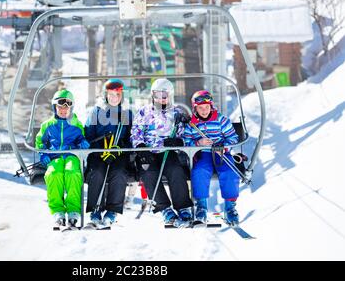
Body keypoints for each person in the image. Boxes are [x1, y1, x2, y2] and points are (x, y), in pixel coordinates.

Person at [131, 78, 193, 226]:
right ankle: (164, 208)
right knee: (148, 174)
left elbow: (185, 133)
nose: (160, 99)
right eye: (157, 95)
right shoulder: (144, 111)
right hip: (147, 152)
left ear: (169, 95)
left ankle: (183, 207)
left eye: (163, 95)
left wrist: (178, 141)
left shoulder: (176, 112)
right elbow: (136, 131)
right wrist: (140, 147)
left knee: (175, 170)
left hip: (167, 150)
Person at [182, 90, 240, 226]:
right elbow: (185, 141)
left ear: (211, 106)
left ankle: (230, 208)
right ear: (195, 108)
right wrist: (198, 143)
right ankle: (201, 207)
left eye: (207, 107)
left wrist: (224, 146)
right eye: (200, 108)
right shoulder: (192, 124)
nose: (204, 111)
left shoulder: (221, 120)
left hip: (221, 153)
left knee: (229, 172)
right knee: (199, 171)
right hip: (204, 154)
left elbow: (233, 138)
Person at [35, 89, 90, 228]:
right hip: (55, 157)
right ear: (55, 107)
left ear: (71, 108)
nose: (63, 110)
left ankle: (73, 210)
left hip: (72, 155)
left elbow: (81, 138)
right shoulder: (47, 125)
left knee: (72, 172)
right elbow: (40, 142)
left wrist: (82, 143)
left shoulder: (76, 124)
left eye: (66, 107)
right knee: (53, 173)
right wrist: (44, 154)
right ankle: (58, 211)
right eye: (60, 107)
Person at [84, 79, 134, 226]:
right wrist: (98, 147)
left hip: (119, 152)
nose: (114, 98)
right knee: (97, 172)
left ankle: (112, 210)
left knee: (119, 172)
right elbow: (88, 134)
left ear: (121, 96)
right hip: (99, 151)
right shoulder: (96, 111)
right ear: (105, 95)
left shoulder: (126, 113)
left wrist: (124, 146)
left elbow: (133, 135)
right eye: (111, 94)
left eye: (117, 94)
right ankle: (95, 209)